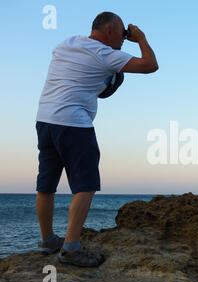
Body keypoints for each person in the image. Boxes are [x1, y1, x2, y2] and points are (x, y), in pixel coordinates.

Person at [35, 12, 158, 267]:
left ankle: (48, 240)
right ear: (110, 30)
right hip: (73, 124)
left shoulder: (66, 43)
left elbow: (77, 72)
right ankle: (71, 249)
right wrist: (141, 39)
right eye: (123, 33)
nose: (124, 39)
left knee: (46, 186)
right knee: (85, 185)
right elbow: (150, 65)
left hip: (45, 120)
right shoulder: (105, 54)